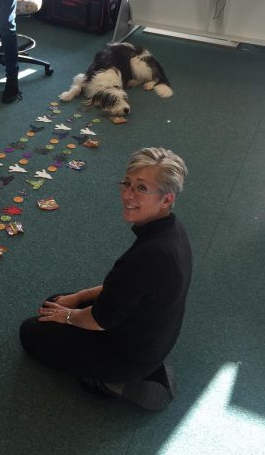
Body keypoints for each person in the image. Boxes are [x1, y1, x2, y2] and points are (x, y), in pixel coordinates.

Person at [19, 147, 192, 411]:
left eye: (142, 188)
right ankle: (119, 370)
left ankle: (113, 382)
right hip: (152, 338)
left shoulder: (149, 256)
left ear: (166, 199)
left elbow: (99, 320)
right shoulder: (172, 230)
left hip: (127, 356)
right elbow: (125, 288)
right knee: (53, 302)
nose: (127, 194)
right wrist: (75, 299)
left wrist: (66, 315)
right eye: (127, 183)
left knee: (30, 332)